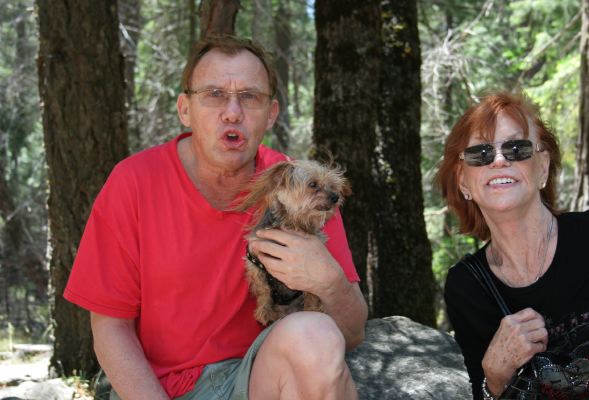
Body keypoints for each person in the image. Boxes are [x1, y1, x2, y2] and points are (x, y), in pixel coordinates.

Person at [64, 35, 368, 400]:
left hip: (258, 378)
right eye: (214, 94)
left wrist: (330, 281)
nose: (232, 112)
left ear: (271, 113)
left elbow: (352, 333)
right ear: (185, 109)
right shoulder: (134, 182)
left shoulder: (302, 189)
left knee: (315, 335)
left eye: (250, 97)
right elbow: (110, 327)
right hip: (158, 388)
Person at [436, 92, 589, 399]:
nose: (499, 160)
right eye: (480, 153)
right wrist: (494, 375)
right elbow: (482, 394)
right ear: (463, 181)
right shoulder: (467, 287)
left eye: (516, 148)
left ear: (542, 167)